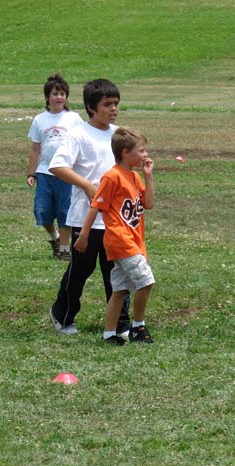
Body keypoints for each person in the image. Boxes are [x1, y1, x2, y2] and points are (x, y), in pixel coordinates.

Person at [48, 79, 131, 335]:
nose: (113, 109)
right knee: (81, 270)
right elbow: (57, 165)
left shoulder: (119, 135)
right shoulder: (78, 135)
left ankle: (120, 323)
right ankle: (62, 314)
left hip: (115, 219)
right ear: (91, 107)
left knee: (116, 271)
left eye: (116, 104)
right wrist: (86, 185)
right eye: (107, 104)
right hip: (86, 218)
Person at [73, 126, 155, 345]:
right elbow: (95, 206)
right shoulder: (112, 177)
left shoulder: (135, 177)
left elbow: (148, 204)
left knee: (119, 290)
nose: (145, 154)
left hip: (134, 241)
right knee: (146, 282)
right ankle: (138, 327)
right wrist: (84, 235)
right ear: (125, 153)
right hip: (120, 241)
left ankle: (109, 335)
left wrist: (148, 177)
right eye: (141, 150)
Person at [26, 73, 84, 261]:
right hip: (45, 172)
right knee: (42, 211)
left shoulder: (73, 118)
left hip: (67, 172)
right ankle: (55, 238)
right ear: (47, 97)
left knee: (64, 212)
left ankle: (65, 250)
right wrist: (31, 173)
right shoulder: (39, 120)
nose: (59, 97)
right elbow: (35, 148)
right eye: (55, 94)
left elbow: (82, 142)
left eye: (62, 94)